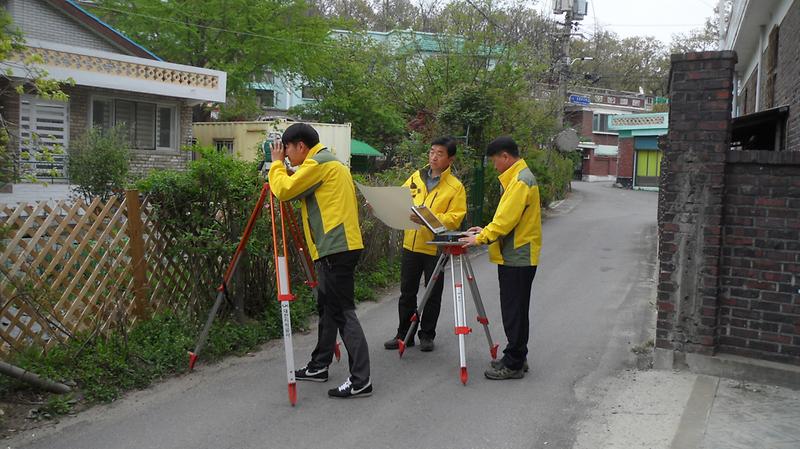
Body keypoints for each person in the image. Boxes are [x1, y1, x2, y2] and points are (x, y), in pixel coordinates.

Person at [268, 123, 372, 398]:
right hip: (338, 247)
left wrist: (276, 166)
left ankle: (361, 380)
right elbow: (299, 182)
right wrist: (287, 168)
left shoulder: (318, 163)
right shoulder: (328, 163)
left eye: (287, 150)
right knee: (327, 309)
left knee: (343, 313)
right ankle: (319, 365)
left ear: (301, 146)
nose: (286, 156)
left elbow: (284, 190)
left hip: (335, 249)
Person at [460, 136, 541, 380]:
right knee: (516, 309)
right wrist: (484, 230)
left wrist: (480, 239)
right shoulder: (519, 178)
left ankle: (514, 363)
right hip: (518, 254)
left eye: (495, 160)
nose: (495, 165)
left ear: (505, 157)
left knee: (513, 310)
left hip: (518, 256)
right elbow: (508, 218)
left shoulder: (519, 181)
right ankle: (516, 355)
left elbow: (506, 221)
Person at [383, 137, 467, 352]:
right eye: (431, 152)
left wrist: (428, 218)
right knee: (407, 292)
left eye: (440, 153)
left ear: (450, 158)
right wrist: (380, 207)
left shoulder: (455, 187)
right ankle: (404, 334)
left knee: (432, 293)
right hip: (411, 244)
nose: (434, 157)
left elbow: (455, 217)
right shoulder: (415, 177)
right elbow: (400, 200)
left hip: (434, 246)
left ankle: (427, 335)